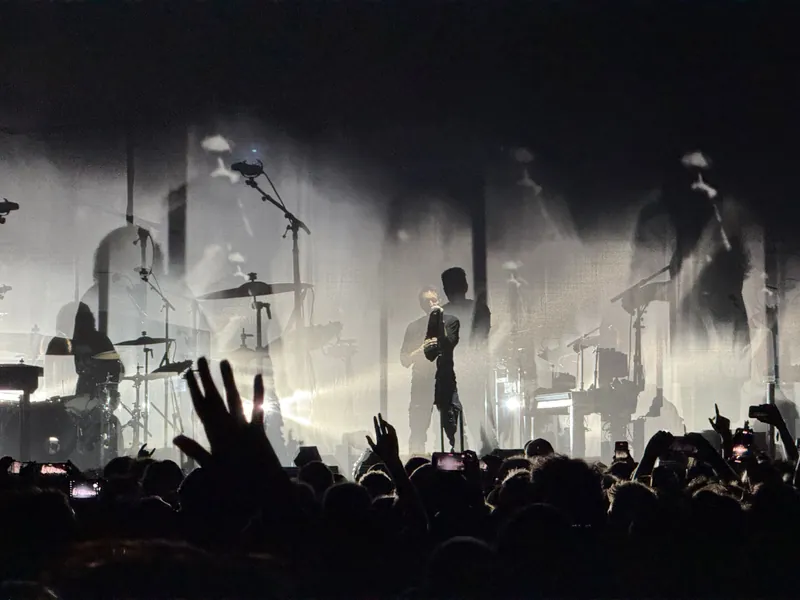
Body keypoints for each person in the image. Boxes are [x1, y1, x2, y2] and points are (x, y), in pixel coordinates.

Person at [439, 267, 493, 448]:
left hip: (451, 371)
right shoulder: (479, 309)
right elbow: (482, 337)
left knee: (452, 415)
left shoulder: (441, 314)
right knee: (474, 410)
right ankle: (484, 450)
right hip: (469, 370)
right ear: (466, 286)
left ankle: (458, 449)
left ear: (445, 289)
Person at [400, 286, 440, 454]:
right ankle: (416, 464)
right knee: (418, 430)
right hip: (421, 384)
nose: (430, 304)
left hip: (446, 382)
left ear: (439, 301)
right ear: (421, 305)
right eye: (426, 301)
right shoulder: (413, 327)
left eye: (433, 300)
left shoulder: (451, 324)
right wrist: (422, 349)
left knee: (452, 430)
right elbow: (404, 360)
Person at [423, 303, 461, 450]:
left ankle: (457, 446)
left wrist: (440, 326)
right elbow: (429, 353)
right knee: (443, 416)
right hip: (436, 382)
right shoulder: (425, 328)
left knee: (452, 416)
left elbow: (448, 343)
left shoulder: (452, 321)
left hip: (450, 379)